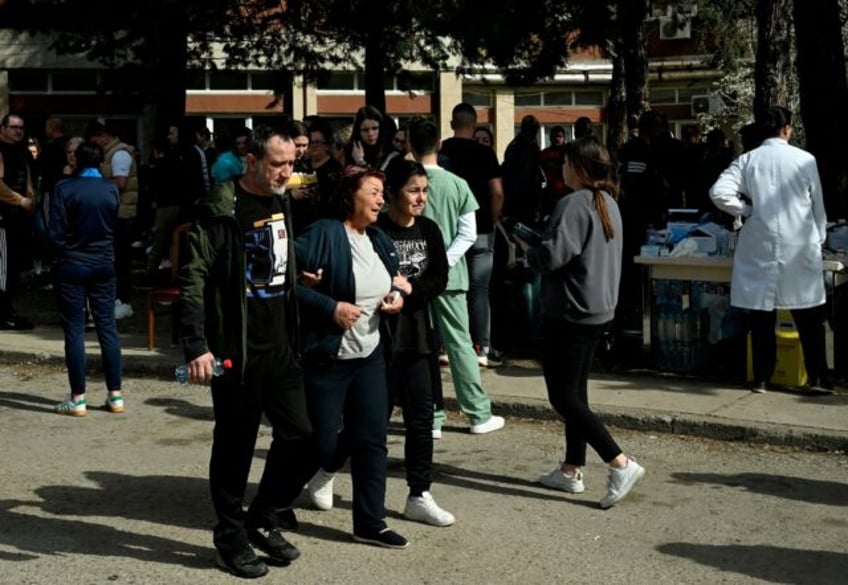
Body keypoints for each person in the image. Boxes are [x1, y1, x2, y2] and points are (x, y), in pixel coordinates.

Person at [178, 126, 314, 578]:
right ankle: (230, 537)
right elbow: (194, 275)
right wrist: (196, 345)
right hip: (234, 351)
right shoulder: (220, 208)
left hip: (279, 345)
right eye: (278, 164)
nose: (287, 172)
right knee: (236, 447)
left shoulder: (280, 199)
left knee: (305, 437)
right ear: (251, 160)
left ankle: (263, 516)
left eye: (291, 163)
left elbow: (272, 255)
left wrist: (295, 275)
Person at [517, 135, 646, 509]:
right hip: (596, 309)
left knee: (564, 396)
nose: (560, 169)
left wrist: (529, 249)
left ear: (578, 167)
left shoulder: (573, 203)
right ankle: (572, 468)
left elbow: (552, 257)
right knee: (577, 393)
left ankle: (619, 462)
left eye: (565, 163)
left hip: (570, 311)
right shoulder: (607, 202)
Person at [295, 167, 409, 549]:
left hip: (370, 356)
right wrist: (330, 307)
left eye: (383, 193)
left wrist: (396, 298)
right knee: (321, 443)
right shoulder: (324, 233)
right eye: (374, 192)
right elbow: (284, 281)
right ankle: (274, 500)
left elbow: (391, 281)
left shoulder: (377, 238)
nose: (381, 200)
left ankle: (370, 522)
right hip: (328, 359)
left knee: (372, 440)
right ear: (351, 196)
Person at [710, 106, 830, 394]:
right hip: (799, 242)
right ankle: (817, 377)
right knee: (808, 313)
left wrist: (746, 209)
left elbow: (718, 192)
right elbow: (818, 206)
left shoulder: (748, 160)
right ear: (787, 129)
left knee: (762, 313)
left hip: (759, 241)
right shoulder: (805, 159)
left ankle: (763, 377)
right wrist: (820, 237)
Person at [407, 116, 505, 436]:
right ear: (439, 143)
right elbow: (468, 234)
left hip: (414, 277)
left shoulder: (404, 185)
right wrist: (444, 262)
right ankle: (477, 413)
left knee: (422, 347)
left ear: (409, 143)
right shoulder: (457, 184)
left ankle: (431, 416)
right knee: (460, 345)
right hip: (450, 279)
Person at [377, 158, 455, 527]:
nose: (421, 197)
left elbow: (439, 277)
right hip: (379, 340)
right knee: (370, 422)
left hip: (420, 338)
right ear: (392, 192)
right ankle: (326, 471)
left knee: (422, 420)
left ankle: (419, 493)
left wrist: (412, 289)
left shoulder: (429, 230)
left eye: (424, 190)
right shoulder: (376, 230)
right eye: (413, 190)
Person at [49, 142, 123, 417]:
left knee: (75, 331)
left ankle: (78, 398)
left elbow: (55, 231)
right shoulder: (110, 188)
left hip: (71, 263)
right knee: (107, 327)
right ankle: (115, 395)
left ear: (76, 160)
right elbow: (115, 223)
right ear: (101, 161)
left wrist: (56, 257)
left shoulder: (64, 188)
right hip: (103, 262)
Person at [439, 103, 505, 367]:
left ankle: (445, 344)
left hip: (448, 229)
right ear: (475, 124)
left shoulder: (442, 151)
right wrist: (493, 217)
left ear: (453, 123)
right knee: (479, 289)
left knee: (449, 287)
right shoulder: (485, 154)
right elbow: (497, 192)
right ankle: (482, 347)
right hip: (481, 229)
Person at [85, 119, 139, 320]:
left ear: (104, 137)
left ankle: (122, 300)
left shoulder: (119, 155)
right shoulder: (113, 153)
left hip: (120, 216)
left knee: (121, 260)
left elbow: (121, 183)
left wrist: (100, 190)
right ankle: (117, 298)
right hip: (116, 213)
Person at [0, 113, 36, 330]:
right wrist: (20, 200)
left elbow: (29, 180)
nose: (18, 131)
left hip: (19, 220)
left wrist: (31, 199)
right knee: (4, 270)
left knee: (14, 268)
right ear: (2, 129)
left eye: (21, 127)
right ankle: (3, 313)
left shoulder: (22, 152)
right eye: (13, 127)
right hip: (3, 219)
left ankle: (8, 310)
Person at [345, 105, 398, 170]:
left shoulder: (391, 155)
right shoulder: (351, 152)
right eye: (365, 130)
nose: (370, 134)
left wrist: (360, 162)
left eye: (375, 128)